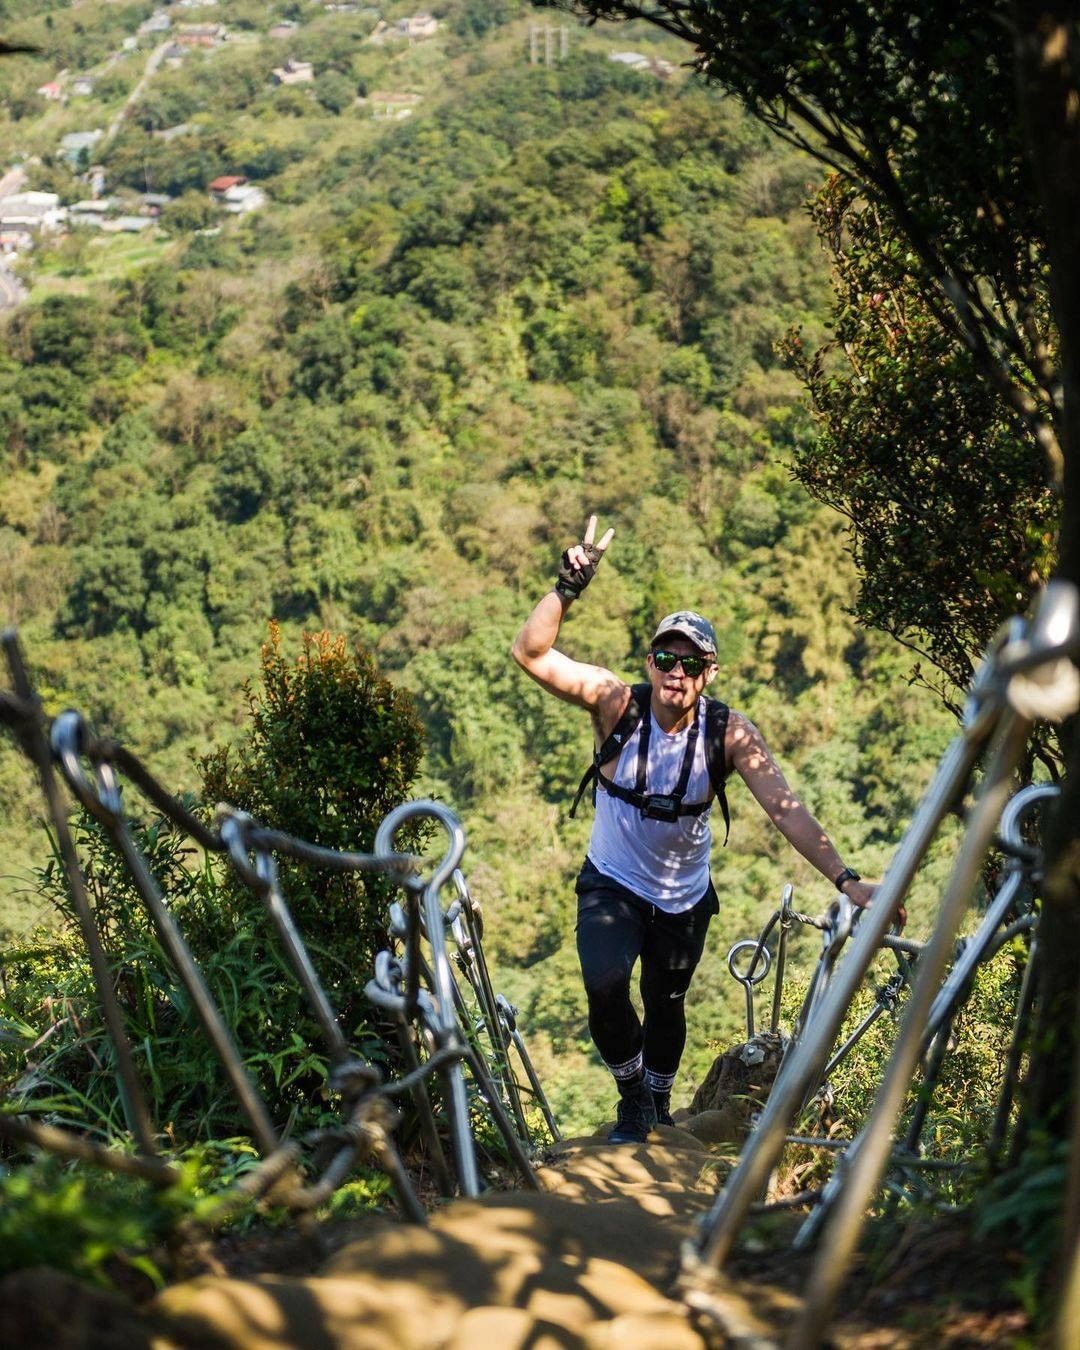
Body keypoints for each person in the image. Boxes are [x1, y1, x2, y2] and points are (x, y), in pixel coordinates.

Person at [510, 515, 885, 1145]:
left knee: (666, 1003)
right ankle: (633, 1097)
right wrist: (566, 588)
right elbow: (531, 653)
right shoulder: (614, 703)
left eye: (690, 663)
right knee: (604, 985)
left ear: (708, 674)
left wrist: (847, 880)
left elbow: (785, 808)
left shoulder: (728, 733)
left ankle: (658, 1099)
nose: (675, 672)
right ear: (650, 663)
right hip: (613, 881)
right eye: (665, 658)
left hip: (682, 897)